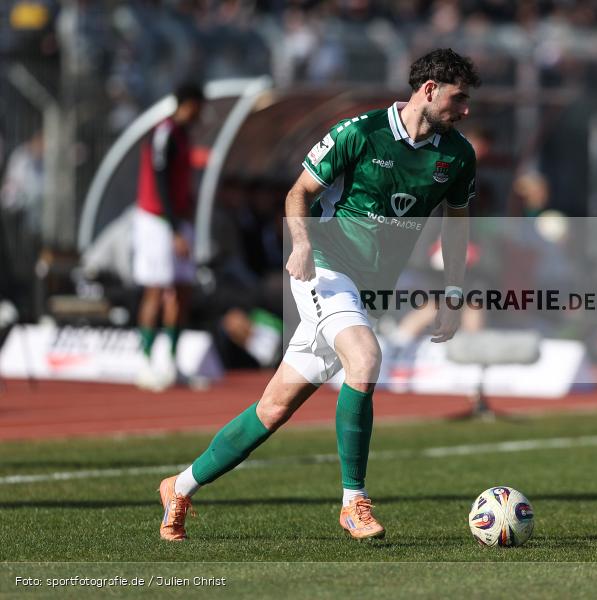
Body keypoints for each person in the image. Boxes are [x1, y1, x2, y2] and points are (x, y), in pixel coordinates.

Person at [157, 48, 480, 541]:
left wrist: (454, 291)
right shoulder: (360, 132)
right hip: (324, 269)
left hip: (366, 293)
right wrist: (303, 243)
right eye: (459, 99)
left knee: (273, 409)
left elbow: (457, 225)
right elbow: (297, 193)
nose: (465, 111)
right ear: (429, 89)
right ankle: (354, 502)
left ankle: (178, 486)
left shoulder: (456, 154)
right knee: (366, 358)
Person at [133, 82, 206, 391]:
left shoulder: (184, 136)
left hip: (177, 220)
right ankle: (145, 360)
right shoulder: (164, 133)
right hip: (156, 221)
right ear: (187, 104)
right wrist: (175, 228)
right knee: (156, 289)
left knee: (182, 289)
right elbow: (161, 181)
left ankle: (171, 361)